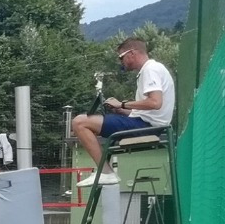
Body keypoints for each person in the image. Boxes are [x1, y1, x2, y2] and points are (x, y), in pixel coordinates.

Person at [70, 37, 176, 182]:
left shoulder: (150, 69)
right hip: (147, 124)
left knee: (79, 122)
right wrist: (122, 111)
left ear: (132, 53)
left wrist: (122, 104)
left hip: (147, 127)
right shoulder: (153, 69)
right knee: (89, 126)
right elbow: (151, 110)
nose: (121, 62)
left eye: (121, 57)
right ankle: (104, 171)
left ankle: (106, 172)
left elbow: (155, 102)